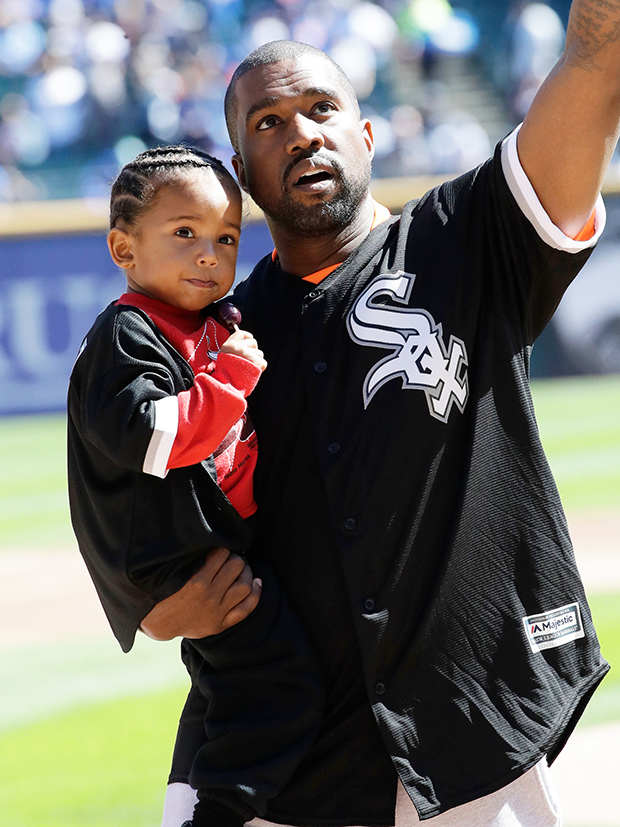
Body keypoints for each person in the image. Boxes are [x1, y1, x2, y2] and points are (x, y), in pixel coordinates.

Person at [148, 2, 620, 822]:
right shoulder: (210, 340)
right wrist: (150, 601)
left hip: (478, 741)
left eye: (322, 109)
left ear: (366, 137)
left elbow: (596, 60)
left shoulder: (471, 240)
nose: (301, 133)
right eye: (269, 122)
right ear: (241, 173)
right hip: (282, 766)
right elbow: (128, 498)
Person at [67, 145, 324, 827]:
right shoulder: (127, 333)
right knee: (285, 684)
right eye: (184, 233)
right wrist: (231, 379)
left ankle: (188, 806)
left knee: (224, 692)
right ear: (124, 247)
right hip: (173, 557)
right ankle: (220, 812)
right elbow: (153, 436)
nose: (209, 253)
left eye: (226, 237)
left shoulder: (212, 324)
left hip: (213, 548)